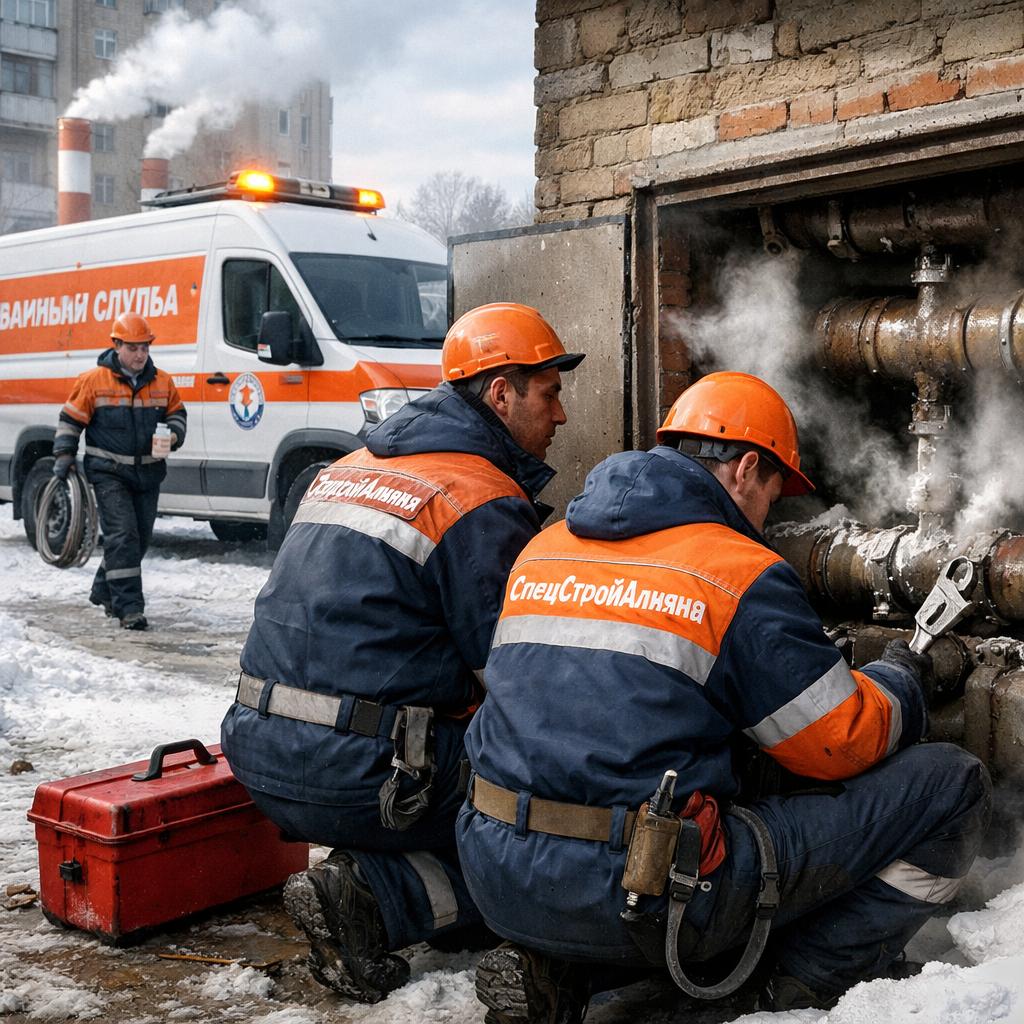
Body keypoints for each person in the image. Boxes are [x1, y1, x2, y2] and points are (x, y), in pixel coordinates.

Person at [457, 371, 992, 1023]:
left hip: (495, 875)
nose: (771, 517)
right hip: (645, 893)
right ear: (743, 469)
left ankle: (558, 969)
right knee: (948, 783)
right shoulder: (734, 570)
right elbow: (841, 743)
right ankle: (799, 976)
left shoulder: (545, 548)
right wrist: (903, 677)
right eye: (775, 493)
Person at [220, 302, 584, 1003]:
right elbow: (515, 685)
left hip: (262, 754)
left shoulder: (353, 465)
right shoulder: (476, 497)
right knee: (555, 821)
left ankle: (372, 882)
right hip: (364, 773)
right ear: (501, 393)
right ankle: (377, 898)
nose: (561, 415)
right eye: (550, 393)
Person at [52, 312, 186, 631]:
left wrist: (175, 435)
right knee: (123, 536)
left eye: (145, 348)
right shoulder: (93, 381)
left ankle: (104, 590)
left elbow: (177, 414)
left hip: (148, 475)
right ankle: (129, 608)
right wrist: (63, 454)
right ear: (116, 345)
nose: (140, 354)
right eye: (133, 348)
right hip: (108, 472)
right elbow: (71, 420)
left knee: (136, 541)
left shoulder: (162, 381)